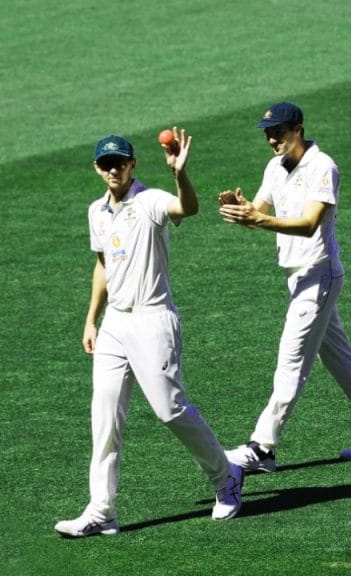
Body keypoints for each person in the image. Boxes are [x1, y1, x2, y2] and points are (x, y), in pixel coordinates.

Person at [55, 132, 243, 538]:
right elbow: (103, 265)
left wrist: (181, 173)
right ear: (96, 169)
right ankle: (102, 510)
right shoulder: (97, 212)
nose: (113, 170)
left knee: (169, 410)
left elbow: (187, 208)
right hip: (114, 326)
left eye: (119, 163)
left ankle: (226, 475)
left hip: (153, 320)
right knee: (104, 417)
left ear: (132, 165)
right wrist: (92, 319)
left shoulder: (150, 200)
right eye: (106, 164)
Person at [218, 102, 351, 472]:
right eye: (268, 133)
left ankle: (263, 447)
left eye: (279, 132)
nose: (272, 139)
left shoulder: (322, 167)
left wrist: (259, 218)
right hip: (296, 276)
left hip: (319, 273)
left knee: (291, 359)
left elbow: (309, 223)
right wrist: (243, 210)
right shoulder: (274, 167)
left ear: (298, 129)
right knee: (338, 357)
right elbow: (260, 212)